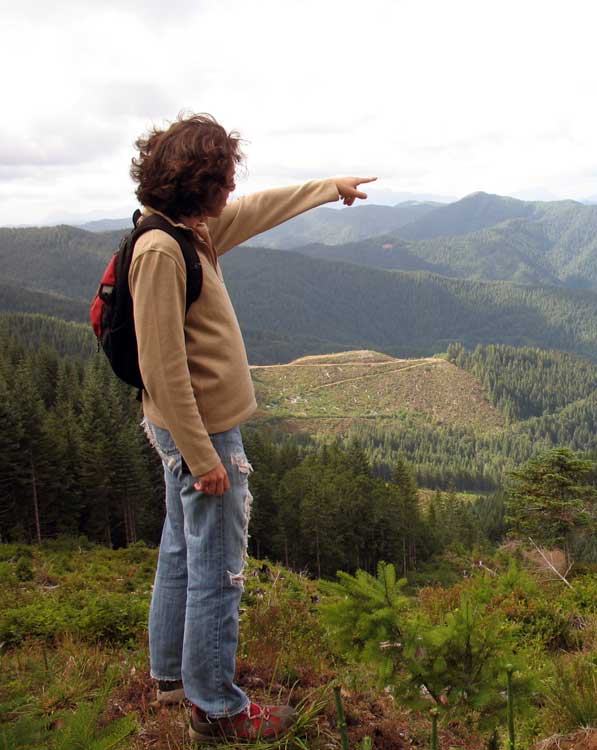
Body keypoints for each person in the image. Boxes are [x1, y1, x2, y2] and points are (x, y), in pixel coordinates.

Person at [129, 112, 375, 743]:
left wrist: (329, 187)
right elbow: (161, 365)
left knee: (181, 552)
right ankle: (217, 708)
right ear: (199, 181)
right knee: (218, 570)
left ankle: (170, 681)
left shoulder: (189, 232)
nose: (232, 191)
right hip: (201, 434)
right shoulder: (161, 250)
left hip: (191, 432)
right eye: (224, 179)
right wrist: (202, 457)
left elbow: (260, 209)